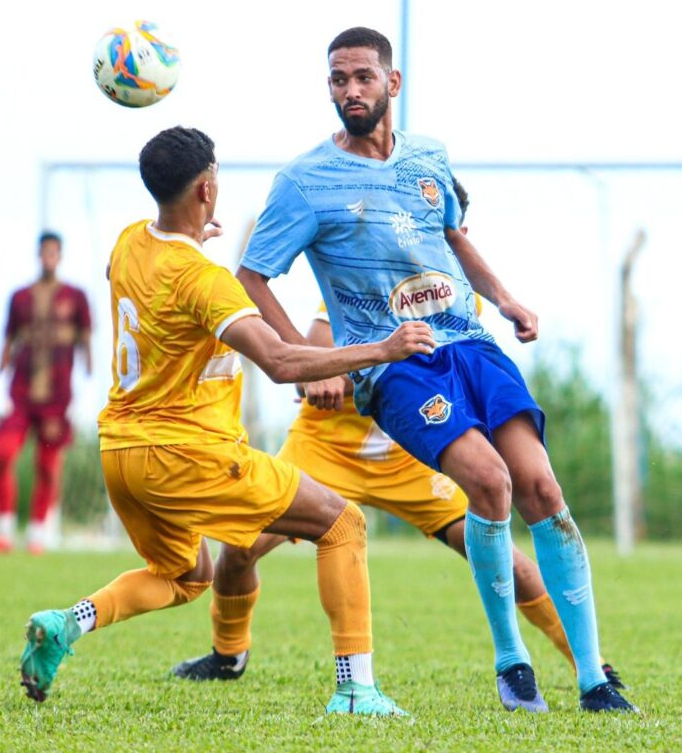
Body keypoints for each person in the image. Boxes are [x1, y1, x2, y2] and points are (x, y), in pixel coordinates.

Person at [234, 28, 637, 713]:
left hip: (471, 343)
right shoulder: (303, 182)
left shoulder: (429, 156)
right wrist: (309, 360)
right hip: (398, 364)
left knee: (541, 486)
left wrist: (505, 299)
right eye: (338, 79)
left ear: (392, 83)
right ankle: (512, 662)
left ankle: (594, 682)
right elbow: (251, 275)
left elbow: (453, 236)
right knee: (489, 481)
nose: (350, 90)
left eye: (363, 76)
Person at [18, 125, 437, 716]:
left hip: (121, 454)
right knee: (342, 523)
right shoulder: (206, 282)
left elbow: (139, 278)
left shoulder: (130, 242)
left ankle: (67, 623)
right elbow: (281, 362)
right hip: (186, 453)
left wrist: (188, 238)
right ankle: (355, 690)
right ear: (206, 190)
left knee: (186, 576)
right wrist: (383, 349)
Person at [175, 181, 623, 692]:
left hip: (410, 455)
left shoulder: (461, 308)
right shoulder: (360, 282)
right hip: (327, 445)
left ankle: (591, 665)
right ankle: (228, 654)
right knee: (240, 547)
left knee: (506, 554)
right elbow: (318, 354)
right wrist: (328, 375)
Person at [0, 231, 92, 554]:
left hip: (58, 398)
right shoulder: (20, 298)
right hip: (20, 393)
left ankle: (37, 535)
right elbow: (8, 341)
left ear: (60, 256)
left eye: (54, 252)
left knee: (48, 466)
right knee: (2, 455)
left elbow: (86, 346)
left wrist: (83, 395)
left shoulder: (76, 297)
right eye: (44, 252)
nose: (49, 258)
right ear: (38, 255)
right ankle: (3, 532)